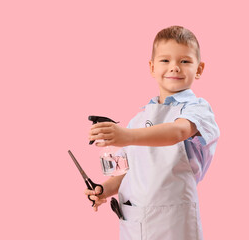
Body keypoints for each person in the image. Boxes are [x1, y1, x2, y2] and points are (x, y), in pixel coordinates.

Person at [85, 25, 220, 240]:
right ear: (151, 67)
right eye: (165, 60)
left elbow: (177, 131)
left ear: (199, 69)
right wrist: (103, 189)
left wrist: (126, 136)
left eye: (184, 61)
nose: (174, 67)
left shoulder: (198, 109)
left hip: (173, 223)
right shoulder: (138, 119)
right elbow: (128, 172)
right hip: (135, 222)